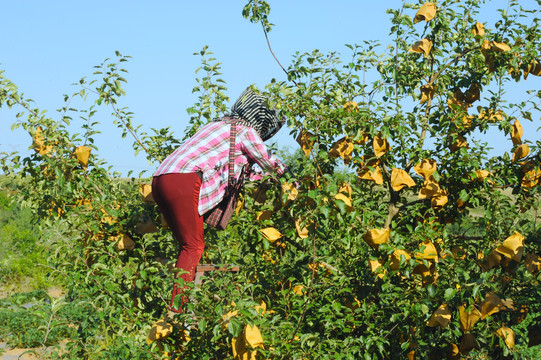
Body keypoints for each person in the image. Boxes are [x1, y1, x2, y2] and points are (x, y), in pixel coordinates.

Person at [152, 87, 287, 313]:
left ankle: (181, 299)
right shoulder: (246, 131)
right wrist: (287, 173)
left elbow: (240, 169)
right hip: (184, 180)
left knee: (186, 245)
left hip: (161, 178)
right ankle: (177, 311)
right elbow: (267, 161)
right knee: (193, 246)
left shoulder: (216, 124)